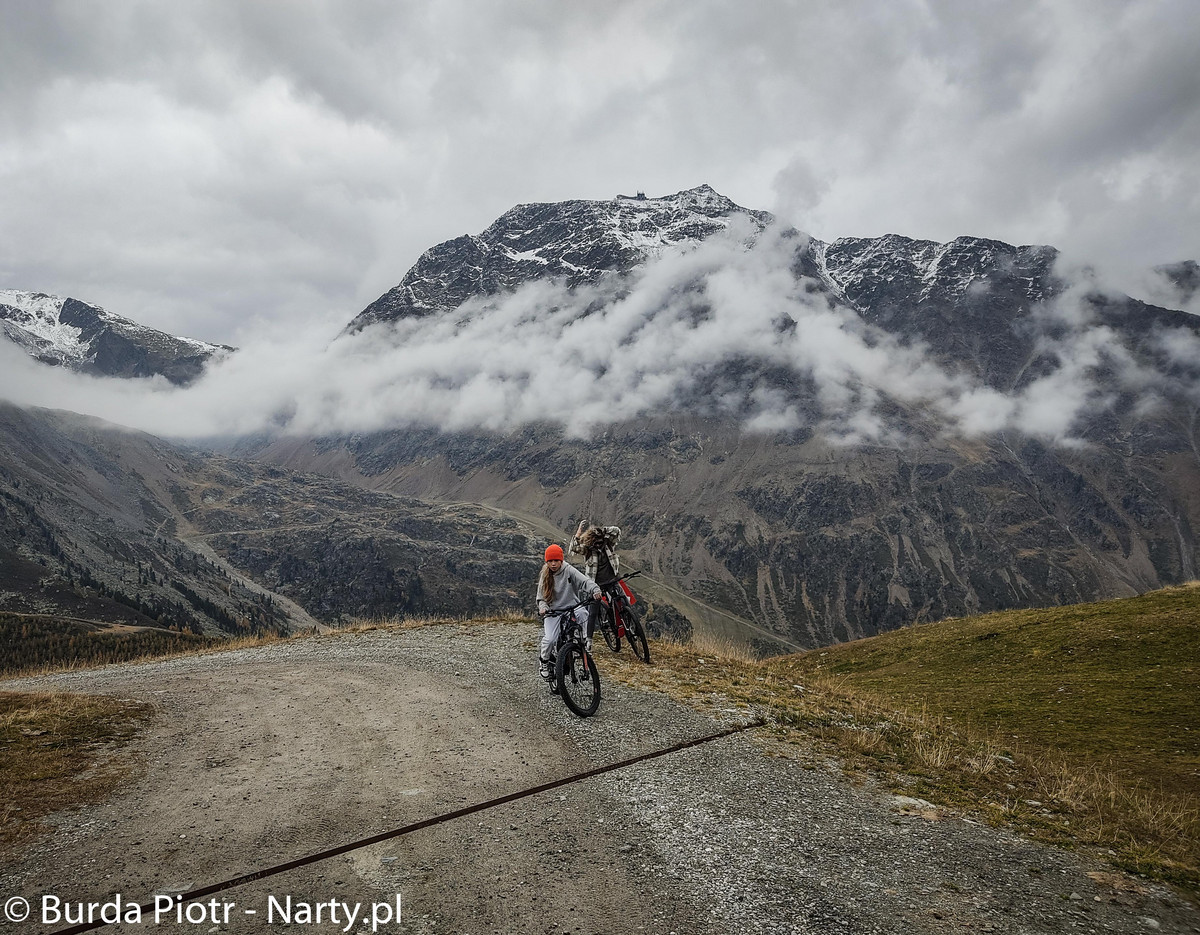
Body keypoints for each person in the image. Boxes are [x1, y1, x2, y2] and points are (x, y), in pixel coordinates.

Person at [536, 543, 601, 678]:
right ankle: (544, 661)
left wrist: (595, 589)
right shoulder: (545, 575)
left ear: (561, 560)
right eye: (550, 561)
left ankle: (584, 641)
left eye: (556, 560)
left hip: (572, 607)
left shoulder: (569, 570)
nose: (553, 564)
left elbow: (584, 581)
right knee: (550, 639)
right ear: (547, 561)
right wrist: (543, 608)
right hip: (553, 612)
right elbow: (541, 598)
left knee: (583, 613)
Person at [569, 521, 621, 585]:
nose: (598, 543)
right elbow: (574, 547)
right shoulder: (588, 550)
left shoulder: (607, 544)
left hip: (612, 580)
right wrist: (578, 533)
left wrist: (602, 530)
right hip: (596, 584)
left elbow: (616, 531)